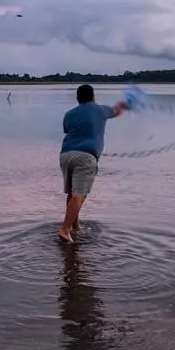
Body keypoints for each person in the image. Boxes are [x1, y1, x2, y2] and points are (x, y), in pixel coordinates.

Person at [58, 84, 128, 242]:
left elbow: (68, 130)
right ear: (93, 96)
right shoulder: (99, 110)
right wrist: (123, 105)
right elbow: (116, 111)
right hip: (85, 157)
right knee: (79, 194)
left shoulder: (69, 114)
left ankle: (75, 227)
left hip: (65, 155)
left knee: (72, 193)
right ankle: (65, 229)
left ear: (77, 98)